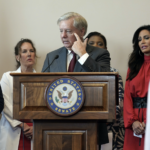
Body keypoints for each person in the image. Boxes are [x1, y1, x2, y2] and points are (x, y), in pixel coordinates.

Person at [42, 12, 110, 148]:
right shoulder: (52, 57)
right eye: (61, 31)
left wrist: (83, 55)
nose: (63, 35)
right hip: (56, 124)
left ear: (82, 31)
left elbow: (105, 79)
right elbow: (42, 87)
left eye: (68, 31)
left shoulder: (100, 54)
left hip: (89, 124)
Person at [86, 31, 124, 149]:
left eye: (100, 44)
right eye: (91, 43)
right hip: (84, 126)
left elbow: (119, 102)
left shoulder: (114, 73)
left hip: (110, 127)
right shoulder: (78, 71)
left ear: (105, 49)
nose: (96, 46)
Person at [0, 39, 37, 150]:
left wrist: (36, 127)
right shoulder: (8, 77)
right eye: (24, 51)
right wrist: (22, 125)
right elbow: (5, 105)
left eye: (31, 50)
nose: (29, 54)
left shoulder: (42, 78)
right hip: (13, 128)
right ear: (18, 57)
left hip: (35, 129)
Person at [123, 25, 150, 150]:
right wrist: (133, 121)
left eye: (146, 38)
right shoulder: (133, 66)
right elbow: (127, 96)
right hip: (135, 121)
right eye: (139, 39)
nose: (142, 42)